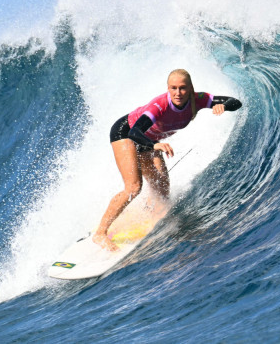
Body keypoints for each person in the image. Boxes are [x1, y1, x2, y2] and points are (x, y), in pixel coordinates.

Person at [93, 68, 242, 251]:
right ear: (168, 88)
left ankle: (147, 213)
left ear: (190, 88)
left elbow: (235, 102)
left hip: (148, 141)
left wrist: (224, 106)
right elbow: (135, 132)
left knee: (162, 187)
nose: (178, 93)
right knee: (134, 187)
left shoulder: (198, 99)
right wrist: (154, 145)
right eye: (173, 88)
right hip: (126, 133)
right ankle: (100, 233)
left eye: (182, 88)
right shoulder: (160, 105)